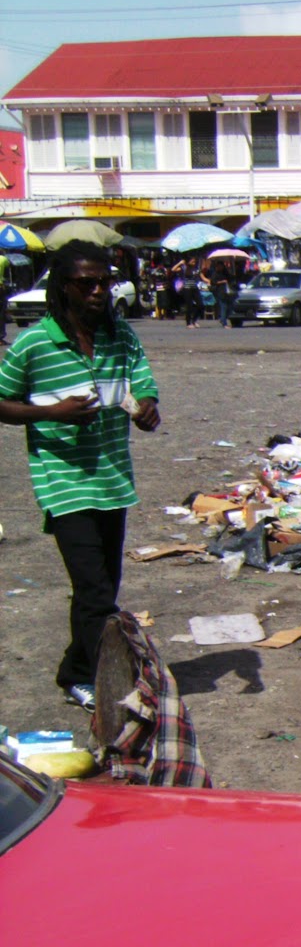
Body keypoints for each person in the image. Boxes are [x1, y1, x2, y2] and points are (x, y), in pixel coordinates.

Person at [0, 240, 161, 710]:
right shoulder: (35, 343)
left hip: (113, 479)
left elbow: (143, 382)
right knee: (93, 590)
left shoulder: (120, 335)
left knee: (103, 588)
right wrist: (52, 412)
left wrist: (146, 408)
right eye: (86, 283)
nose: (97, 291)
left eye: (104, 282)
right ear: (63, 287)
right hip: (63, 481)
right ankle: (100, 682)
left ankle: (73, 671)